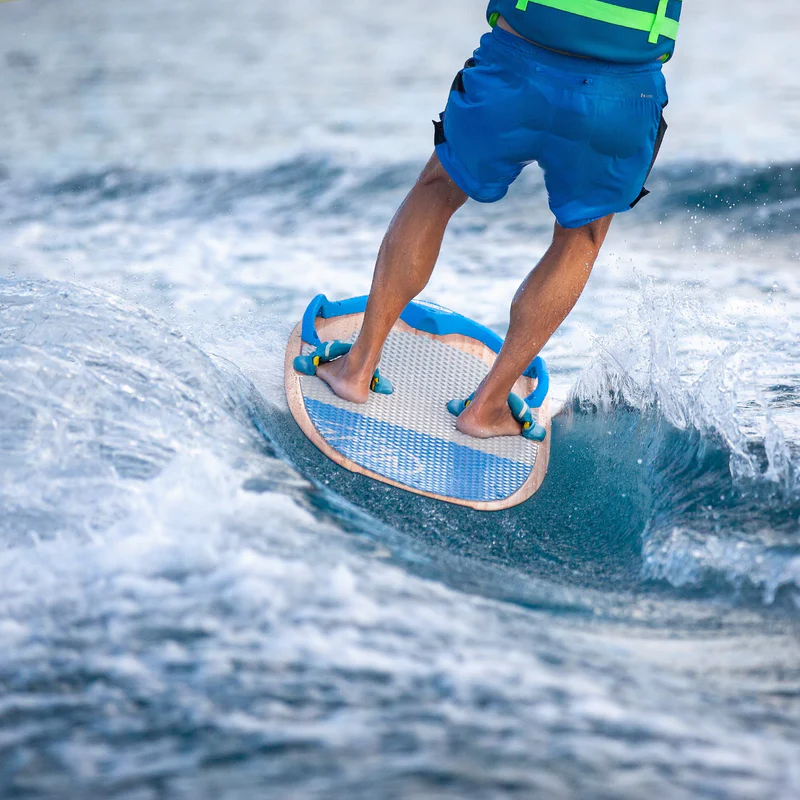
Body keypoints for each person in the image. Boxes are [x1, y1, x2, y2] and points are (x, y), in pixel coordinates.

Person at [316, 0, 679, 440]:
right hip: (620, 98)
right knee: (581, 236)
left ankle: (357, 368)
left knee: (437, 188)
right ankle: (487, 407)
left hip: (514, 69)